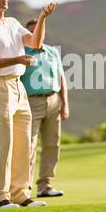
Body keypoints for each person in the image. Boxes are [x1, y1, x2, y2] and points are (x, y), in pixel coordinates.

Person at [0, 0, 58, 209]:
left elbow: (35, 43)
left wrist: (42, 19)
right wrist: (18, 59)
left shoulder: (12, 23)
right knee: (4, 142)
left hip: (18, 87)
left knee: (23, 144)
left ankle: (20, 194)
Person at [21, 19, 69, 198]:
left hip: (53, 100)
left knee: (52, 144)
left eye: (40, 31)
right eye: (33, 33)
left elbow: (61, 77)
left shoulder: (53, 51)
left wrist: (65, 103)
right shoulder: (22, 52)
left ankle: (45, 186)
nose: (37, 35)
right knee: (29, 146)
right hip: (31, 102)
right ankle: (23, 189)